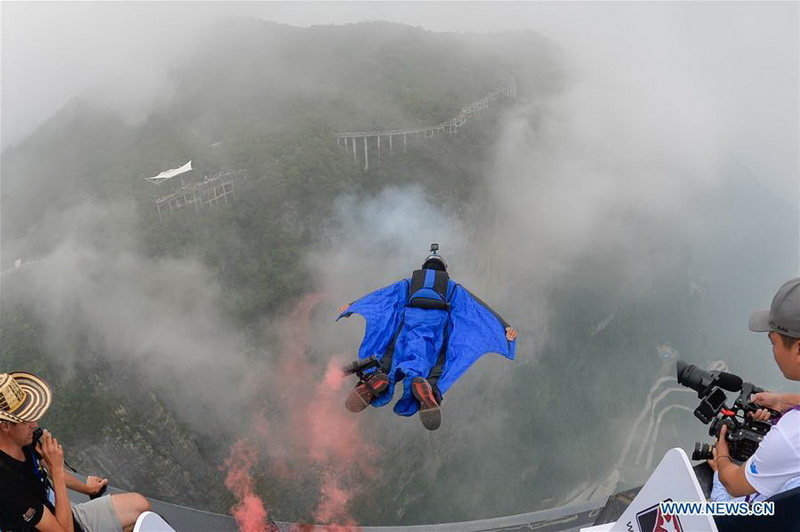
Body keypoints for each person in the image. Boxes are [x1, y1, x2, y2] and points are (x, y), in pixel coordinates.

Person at [337, 244, 517, 430]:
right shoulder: (453, 290)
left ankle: (377, 377)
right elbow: (479, 312)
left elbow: (380, 298)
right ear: (445, 270)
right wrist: (505, 330)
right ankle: (427, 388)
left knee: (388, 360)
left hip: (406, 329)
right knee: (431, 368)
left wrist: (353, 306)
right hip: (434, 332)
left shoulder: (407, 284)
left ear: (424, 267)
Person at [0, 371, 151, 532]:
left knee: (141, 507)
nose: (35, 424)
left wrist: (86, 488)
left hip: (57, 511)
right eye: (26, 420)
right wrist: (57, 471)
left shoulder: (22, 440)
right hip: (52, 526)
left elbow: (48, 466)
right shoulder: (6, 484)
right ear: (7, 426)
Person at [715, 277, 800, 500]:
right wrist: (782, 402)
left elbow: (734, 484)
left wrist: (722, 459)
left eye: (773, 342)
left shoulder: (790, 437)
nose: (773, 351)